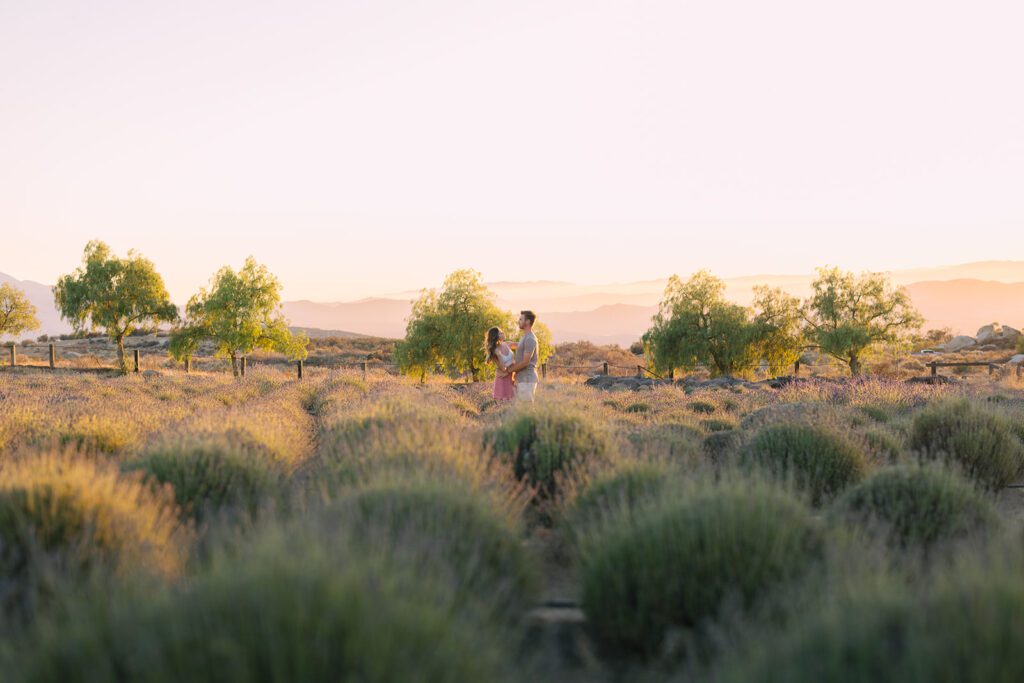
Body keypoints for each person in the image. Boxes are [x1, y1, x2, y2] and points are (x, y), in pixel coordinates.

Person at [505, 310, 539, 401]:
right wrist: (510, 344)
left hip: (527, 379)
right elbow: (521, 346)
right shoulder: (525, 337)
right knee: (523, 409)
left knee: (527, 408)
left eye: (521, 319)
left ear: (527, 321)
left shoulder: (530, 339)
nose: (518, 321)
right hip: (522, 379)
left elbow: (525, 362)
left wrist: (509, 370)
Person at [485, 326, 516, 401]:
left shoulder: (507, 344)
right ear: (496, 336)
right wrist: (499, 356)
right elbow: (503, 369)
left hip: (511, 377)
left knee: (513, 401)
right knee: (503, 404)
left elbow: (521, 345)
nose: (503, 333)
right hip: (502, 379)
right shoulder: (495, 351)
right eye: (500, 332)